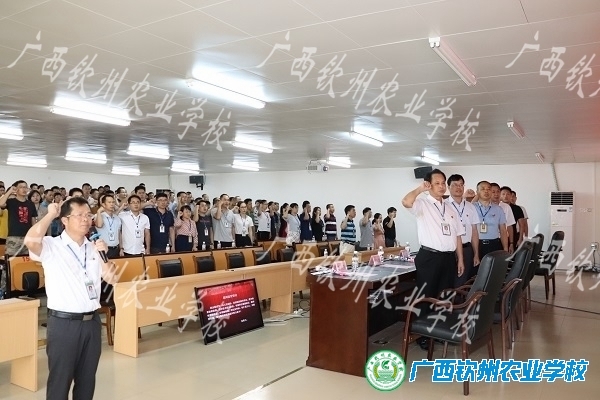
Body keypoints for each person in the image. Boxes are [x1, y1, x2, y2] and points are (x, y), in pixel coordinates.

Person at [24, 197, 117, 400]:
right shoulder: (51, 245)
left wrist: (104, 255)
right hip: (63, 324)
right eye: (79, 215)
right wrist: (50, 214)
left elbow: (112, 278)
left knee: (87, 380)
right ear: (65, 220)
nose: (86, 219)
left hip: (92, 322)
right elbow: (30, 241)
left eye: (88, 215)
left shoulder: (94, 247)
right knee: (60, 381)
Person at [402, 169, 465, 350]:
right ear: (429, 185)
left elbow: (457, 236)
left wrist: (460, 259)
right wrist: (419, 189)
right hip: (429, 257)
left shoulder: (450, 207)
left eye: (443, 183)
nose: (441, 186)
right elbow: (406, 201)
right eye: (437, 183)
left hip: (448, 258)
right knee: (426, 296)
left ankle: (440, 332)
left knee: (445, 295)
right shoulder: (422, 203)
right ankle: (422, 335)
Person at [446, 174, 481, 285]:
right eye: (455, 185)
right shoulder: (443, 205)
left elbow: (474, 231)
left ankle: (461, 297)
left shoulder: (471, 207)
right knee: (449, 282)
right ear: (448, 187)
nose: (458, 187)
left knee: (464, 281)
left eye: (461, 185)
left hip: (467, 249)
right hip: (449, 251)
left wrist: (476, 253)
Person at [0, 180, 38, 256]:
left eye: (25, 187)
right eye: (21, 187)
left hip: (27, 237)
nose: (24, 189)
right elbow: (1, 203)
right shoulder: (11, 202)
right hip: (13, 237)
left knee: (26, 259)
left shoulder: (31, 204)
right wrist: (10, 191)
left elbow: (33, 221)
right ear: (16, 189)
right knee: (11, 259)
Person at [474, 181, 508, 258]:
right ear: (477, 192)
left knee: (494, 265)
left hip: (494, 244)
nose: (486, 191)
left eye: (488, 189)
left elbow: (503, 230)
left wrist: (505, 249)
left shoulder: (498, 209)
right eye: (483, 189)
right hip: (477, 245)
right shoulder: (472, 207)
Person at [95, 194, 122, 259]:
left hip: (116, 249)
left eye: (113, 202)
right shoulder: (99, 215)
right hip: (104, 249)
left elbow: (119, 234)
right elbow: (99, 225)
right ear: (103, 204)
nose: (112, 204)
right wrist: (99, 211)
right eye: (109, 202)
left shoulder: (117, 218)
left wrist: (121, 248)